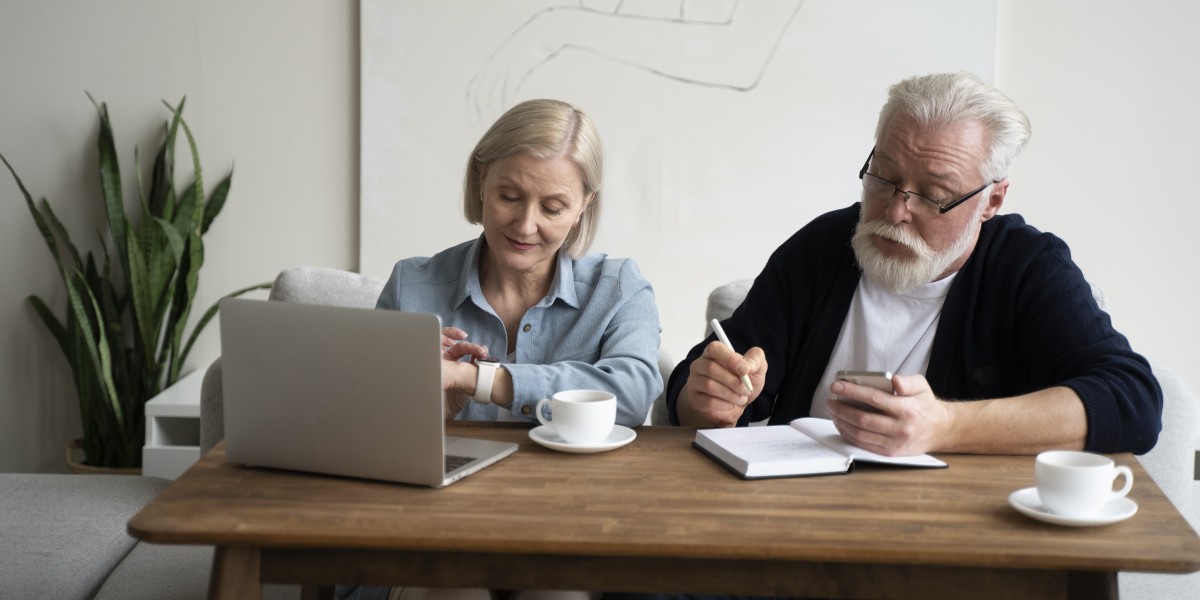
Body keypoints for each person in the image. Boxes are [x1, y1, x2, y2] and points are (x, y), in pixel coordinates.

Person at [668, 71, 1162, 457]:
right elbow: (695, 386)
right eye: (883, 177)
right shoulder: (824, 247)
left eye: (934, 195)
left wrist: (944, 426)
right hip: (797, 521)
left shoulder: (1027, 268)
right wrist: (706, 397)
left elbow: (1132, 402)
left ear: (991, 201)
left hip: (953, 539)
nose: (896, 211)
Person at [338, 99, 662, 600]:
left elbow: (633, 391)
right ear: (480, 182)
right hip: (432, 538)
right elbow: (357, 440)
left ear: (584, 207)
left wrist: (476, 380)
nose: (526, 225)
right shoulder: (414, 285)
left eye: (553, 207)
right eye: (509, 196)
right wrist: (429, 414)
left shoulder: (619, 288)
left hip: (570, 540)